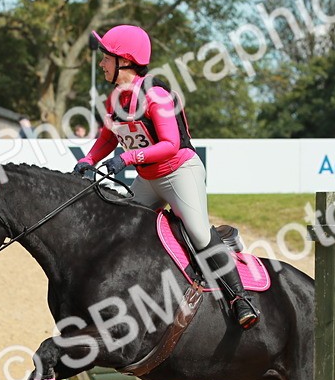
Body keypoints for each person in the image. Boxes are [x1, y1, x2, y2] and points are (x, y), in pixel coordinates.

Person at [73, 24, 258, 329]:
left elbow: (170, 145)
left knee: (198, 232)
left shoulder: (155, 95)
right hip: (148, 179)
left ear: (125, 60)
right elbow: (109, 137)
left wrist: (128, 157)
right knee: (124, 230)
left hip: (179, 172)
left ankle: (239, 298)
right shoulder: (114, 99)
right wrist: (87, 159)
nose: (102, 63)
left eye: (106, 58)